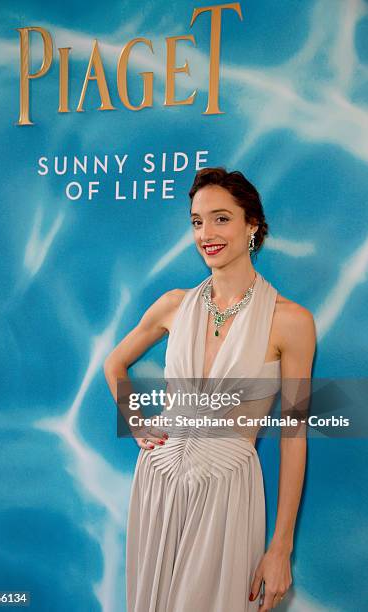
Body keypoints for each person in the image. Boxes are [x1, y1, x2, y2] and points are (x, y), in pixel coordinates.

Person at [104, 167, 316, 611]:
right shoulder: (173, 305)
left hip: (226, 491)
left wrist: (280, 548)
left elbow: (294, 435)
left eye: (221, 218)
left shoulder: (292, 321)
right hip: (158, 481)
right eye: (197, 221)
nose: (207, 233)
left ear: (251, 225)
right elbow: (114, 363)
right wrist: (136, 421)